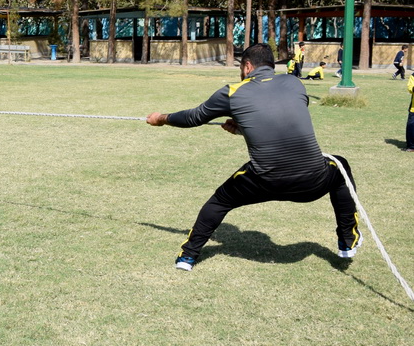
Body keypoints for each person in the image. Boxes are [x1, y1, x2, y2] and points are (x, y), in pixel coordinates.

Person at [145, 43, 361, 271]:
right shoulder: (294, 83)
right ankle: (347, 240)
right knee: (340, 166)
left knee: (219, 201)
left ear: (247, 66)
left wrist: (162, 118)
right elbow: (280, 118)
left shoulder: (232, 91)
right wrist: (242, 127)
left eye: (240, 67)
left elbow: (194, 117)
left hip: (264, 181)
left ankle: (187, 257)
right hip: (312, 182)